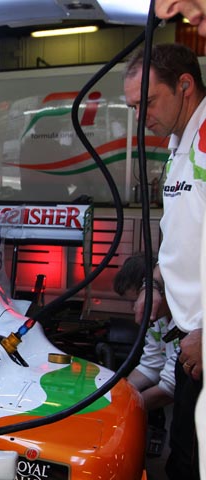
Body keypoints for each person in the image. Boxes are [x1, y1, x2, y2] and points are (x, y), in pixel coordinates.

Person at [124, 43, 205, 480]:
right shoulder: (178, 145)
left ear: (184, 85)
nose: (141, 118)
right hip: (192, 348)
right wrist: (155, 284)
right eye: (134, 107)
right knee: (183, 459)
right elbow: (184, 242)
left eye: (148, 102)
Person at [114, 253, 177, 411]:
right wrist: (117, 395)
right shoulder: (157, 320)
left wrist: (125, 410)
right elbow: (150, 365)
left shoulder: (188, 322)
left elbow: (170, 387)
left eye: (135, 300)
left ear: (157, 291)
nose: (134, 308)